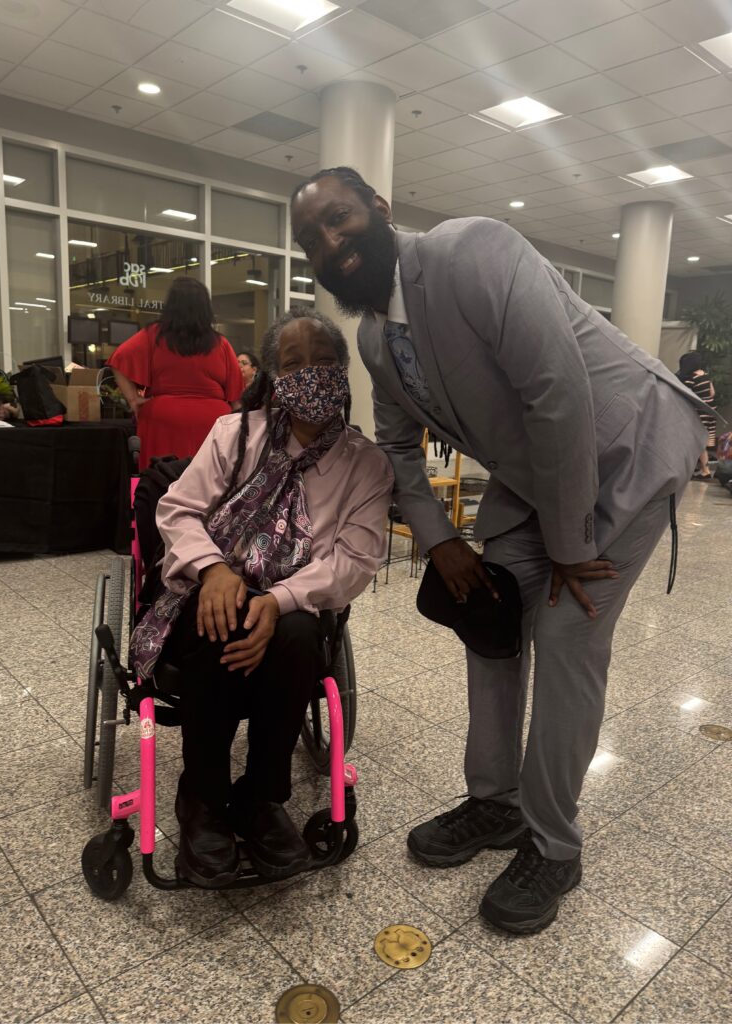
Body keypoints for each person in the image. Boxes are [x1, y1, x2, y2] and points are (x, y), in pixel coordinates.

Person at [290, 166, 710, 935]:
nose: (331, 242)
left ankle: (555, 844)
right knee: (489, 622)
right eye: (312, 238)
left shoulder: (472, 251)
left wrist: (570, 543)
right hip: (537, 471)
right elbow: (395, 448)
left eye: (341, 219)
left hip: (628, 445)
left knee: (564, 634)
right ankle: (496, 803)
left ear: (380, 208)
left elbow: (560, 393)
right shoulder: (378, 337)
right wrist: (443, 541)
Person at [129, 308, 393, 888]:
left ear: (344, 372)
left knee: (298, 632)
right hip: (208, 593)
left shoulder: (365, 464)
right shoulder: (235, 434)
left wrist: (277, 600)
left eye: (324, 361)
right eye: (294, 363)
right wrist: (214, 571)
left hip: (293, 609)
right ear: (274, 376)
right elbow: (176, 510)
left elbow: (354, 560)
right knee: (217, 617)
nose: (311, 373)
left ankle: (262, 798)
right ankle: (203, 798)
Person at [108, 278, 244, 468]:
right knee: (210, 485)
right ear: (206, 308)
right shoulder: (220, 343)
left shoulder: (152, 335)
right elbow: (236, 398)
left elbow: (118, 359)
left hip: (162, 420)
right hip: (213, 422)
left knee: (159, 481)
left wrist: (133, 400)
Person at [677, 351, 717, 480]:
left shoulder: (691, 377)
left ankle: (705, 471)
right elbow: (712, 393)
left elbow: (684, 394)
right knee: (701, 443)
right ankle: (700, 468)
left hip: (700, 414)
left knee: (697, 442)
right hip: (710, 412)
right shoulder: (705, 375)